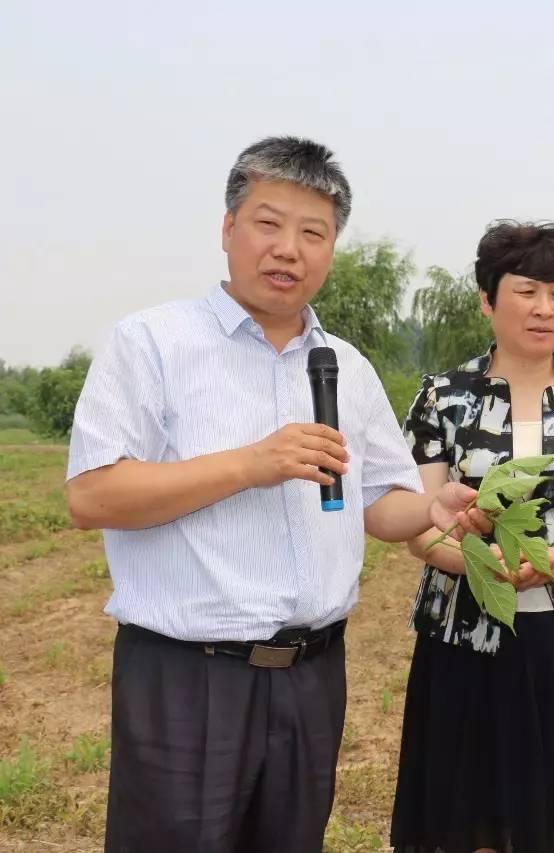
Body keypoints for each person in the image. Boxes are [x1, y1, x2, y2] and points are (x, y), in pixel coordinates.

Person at [65, 136, 431, 852]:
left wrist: (438, 510)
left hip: (312, 678)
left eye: (312, 232)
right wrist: (250, 463)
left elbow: (384, 501)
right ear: (228, 229)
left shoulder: (346, 367)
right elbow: (93, 494)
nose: (288, 249)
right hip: (187, 677)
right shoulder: (152, 343)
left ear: (331, 249)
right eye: (268, 223)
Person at [392, 220, 554, 853]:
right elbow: (418, 523)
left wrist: (552, 560)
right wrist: (483, 566)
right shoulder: (443, 397)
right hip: (467, 635)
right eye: (527, 290)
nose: (544, 308)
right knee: (473, 816)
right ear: (487, 298)